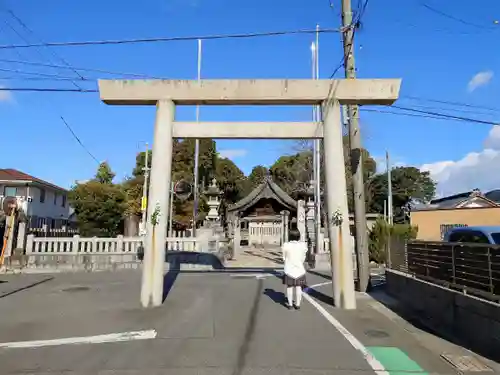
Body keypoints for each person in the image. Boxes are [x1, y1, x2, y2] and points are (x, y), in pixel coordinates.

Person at [282, 229, 308, 310]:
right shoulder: (302, 245)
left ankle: (290, 305)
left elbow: (284, 258)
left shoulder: (285, 245)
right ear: (298, 236)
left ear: (289, 236)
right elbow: (303, 257)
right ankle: (297, 304)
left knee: (289, 287)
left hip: (288, 269)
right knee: (298, 287)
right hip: (300, 269)